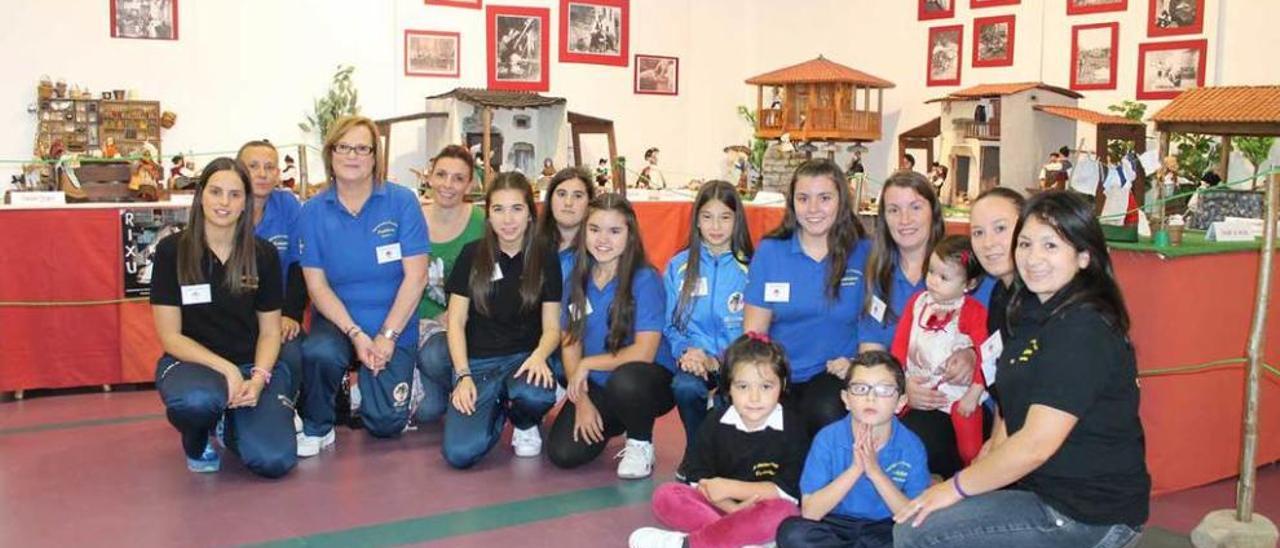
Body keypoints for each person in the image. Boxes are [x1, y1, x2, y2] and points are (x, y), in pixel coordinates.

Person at [894, 191, 1150, 548]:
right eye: (1026, 244)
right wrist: (980, 468)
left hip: (1083, 513)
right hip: (1042, 491)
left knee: (916, 531)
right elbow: (1009, 404)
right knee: (926, 513)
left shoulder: (1082, 328)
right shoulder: (1029, 308)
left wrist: (955, 488)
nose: (1033, 258)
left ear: (1083, 257)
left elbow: (1035, 445)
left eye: (1050, 246)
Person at [149, 158, 296, 478]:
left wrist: (257, 379)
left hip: (251, 365)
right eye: (216, 192)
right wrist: (227, 370)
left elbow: (271, 332)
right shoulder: (172, 251)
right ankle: (197, 436)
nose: (224, 203)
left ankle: (231, 425)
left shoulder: (264, 255)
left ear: (246, 202)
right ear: (201, 195)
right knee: (197, 401)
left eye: (234, 194)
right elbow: (170, 336)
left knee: (274, 461)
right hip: (192, 366)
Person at [294, 116, 430, 456]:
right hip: (341, 323)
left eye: (362, 148)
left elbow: (417, 277)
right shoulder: (311, 211)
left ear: (374, 156)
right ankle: (317, 425)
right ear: (330, 154)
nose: (352, 156)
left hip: (394, 325)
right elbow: (317, 286)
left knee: (385, 425)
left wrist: (387, 336)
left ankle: (374, 389)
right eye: (344, 147)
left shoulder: (402, 202)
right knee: (319, 352)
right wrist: (355, 333)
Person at [629, 333, 808, 548]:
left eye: (766, 387)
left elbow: (787, 492)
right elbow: (698, 478)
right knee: (666, 495)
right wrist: (733, 509)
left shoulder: (793, 427)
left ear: (782, 385)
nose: (754, 397)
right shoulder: (716, 421)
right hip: (717, 504)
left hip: (763, 508)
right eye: (743, 387)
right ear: (729, 387)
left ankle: (687, 544)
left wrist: (729, 487)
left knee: (784, 514)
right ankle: (739, 540)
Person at [858, 170, 979, 479]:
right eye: (893, 210)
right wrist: (900, 388)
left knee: (915, 437)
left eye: (915, 207)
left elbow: (992, 337)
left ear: (933, 211)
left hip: (960, 402)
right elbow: (871, 351)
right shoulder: (878, 272)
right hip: (901, 393)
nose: (904, 219)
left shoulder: (963, 265)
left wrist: (971, 355)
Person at [545, 194, 675, 479]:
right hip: (599, 385)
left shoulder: (645, 279)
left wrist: (587, 365)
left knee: (626, 381)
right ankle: (617, 418)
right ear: (584, 233)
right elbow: (570, 343)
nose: (603, 239)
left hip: (646, 382)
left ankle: (640, 442)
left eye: (614, 231)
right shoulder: (576, 279)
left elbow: (644, 352)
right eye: (594, 229)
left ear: (629, 236)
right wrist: (581, 401)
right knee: (563, 453)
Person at [438, 172, 562, 467]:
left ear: (530, 215)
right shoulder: (471, 255)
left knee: (534, 395)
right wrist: (463, 375)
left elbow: (552, 327)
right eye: (498, 209)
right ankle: (498, 406)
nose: (508, 220)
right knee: (459, 454)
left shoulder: (545, 255)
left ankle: (523, 419)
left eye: (517, 209)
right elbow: (455, 322)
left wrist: (540, 356)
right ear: (488, 215)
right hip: (479, 365)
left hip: (524, 361)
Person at [743, 159, 871, 435]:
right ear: (792, 204)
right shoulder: (771, 251)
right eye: (803, 198)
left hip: (835, 376)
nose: (813, 209)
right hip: (780, 377)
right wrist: (761, 385)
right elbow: (754, 333)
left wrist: (856, 366)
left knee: (824, 410)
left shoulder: (864, 252)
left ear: (841, 200)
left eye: (824, 198)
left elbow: (875, 326)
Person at [775, 351, 930, 548]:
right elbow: (810, 512)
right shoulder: (828, 439)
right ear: (846, 399)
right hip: (834, 525)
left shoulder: (911, 446)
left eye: (883, 390)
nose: (871, 398)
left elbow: (914, 518)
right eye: (860, 388)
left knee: (914, 541)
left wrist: (875, 473)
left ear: (900, 403)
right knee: (793, 533)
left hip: (885, 528)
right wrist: (855, 469)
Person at [663, 180, 754, 447]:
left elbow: (759, 329)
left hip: (737, 360)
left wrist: (720, 359)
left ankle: (724, 451)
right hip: (694, 358)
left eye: (725, 217)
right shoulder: (678, 266)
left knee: (730, 399)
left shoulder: (752, 266)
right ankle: (696, 450)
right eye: (707, 217)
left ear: (737, 220)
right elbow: (669, 324)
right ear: (697, 221)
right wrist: (686, 352)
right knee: (686, 388)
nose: (715, 226)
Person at [890, 235, 989, 466]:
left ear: (969, 284)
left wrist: (973, 394)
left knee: (969, 443)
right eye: (931, 272)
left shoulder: (972, 311)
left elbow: (985, 355)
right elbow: (901, 343)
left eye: (944, 277)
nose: (933, 281)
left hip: (958, 394)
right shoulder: (918, 302)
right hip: (916, 383)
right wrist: (899, 378)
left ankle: (972, 469)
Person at [416, 145, 487, 424]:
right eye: (441, 175)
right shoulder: (411, 219)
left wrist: (459, 314)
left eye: (458, 178)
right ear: (429, 177)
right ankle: (449, 386)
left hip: (463, 326)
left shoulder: (482, 223)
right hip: (419, 325)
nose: (448, 185)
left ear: (470, 183)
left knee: (436, 356)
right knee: (426, 412)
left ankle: (473, 388)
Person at [237, 140, 308, 399]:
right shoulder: (227, 207)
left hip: (277, 313)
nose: (262, 174)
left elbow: (298, 264)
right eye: (253, 166)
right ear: (238, 170)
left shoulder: (288, 205)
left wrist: (290, 314)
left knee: (295, 353)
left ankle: (287, 406)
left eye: (269, 167)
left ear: (279, 173)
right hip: (235, 316)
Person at [969, 187, 1026, 337]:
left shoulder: (1042, 300)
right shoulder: (1000, 292)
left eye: (1000, 228)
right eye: (978, 233)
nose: (988, 243)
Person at [537, 167, 596, 283]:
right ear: (550, 199)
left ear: (589, 202)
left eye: (578, 196)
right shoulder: (531, 245)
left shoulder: (599, 252)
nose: (568, 202)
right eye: (562, 194)